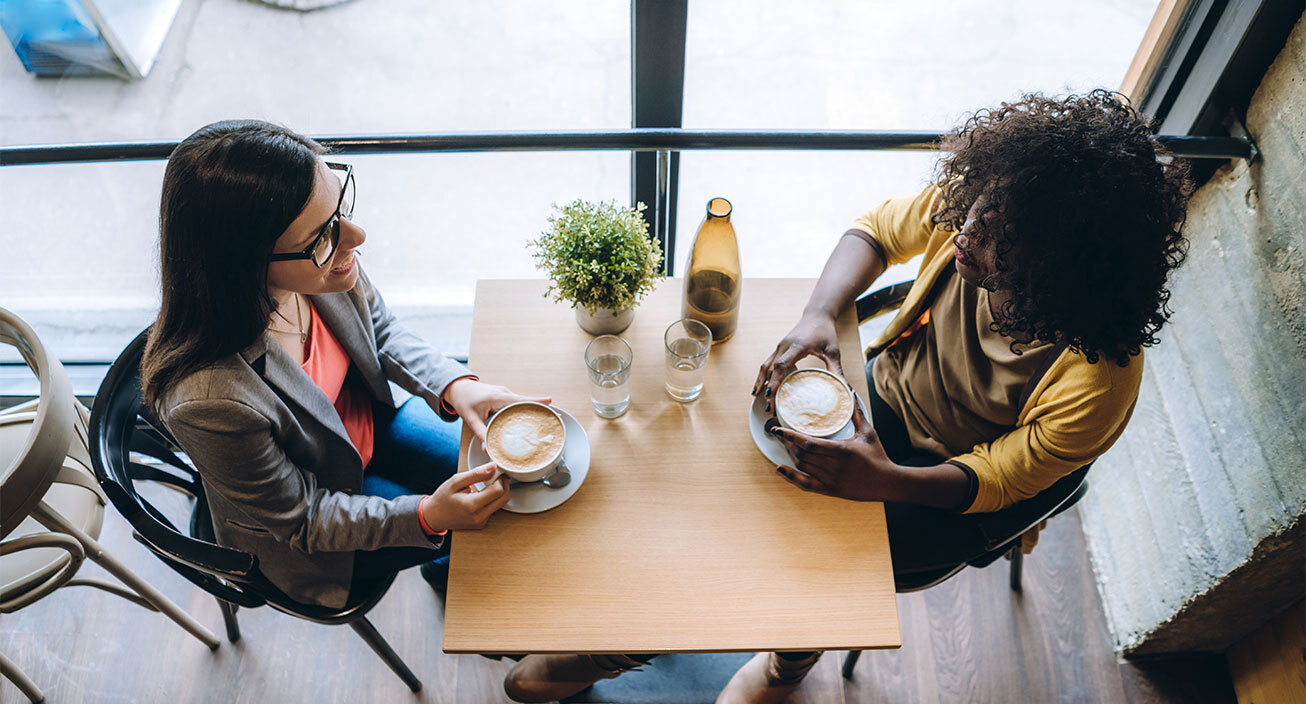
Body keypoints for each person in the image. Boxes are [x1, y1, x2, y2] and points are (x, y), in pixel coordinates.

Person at [503, 90, 1192, 703]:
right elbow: (877, 230)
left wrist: (885, 480)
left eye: (995, 246)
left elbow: (1002, 478)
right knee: (707, 501)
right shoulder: (994, 210)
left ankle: (782, 667)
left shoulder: (1098, 381)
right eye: (977, 216)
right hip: (869, 399)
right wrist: (817, 315)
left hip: (937, 487)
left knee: (797, 581)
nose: (966, 237)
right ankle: (625, 639)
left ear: (1055, 279)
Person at [141, 120, 545, 609]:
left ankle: (446, 564)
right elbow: (305, 520)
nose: (355, 236)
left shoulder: (322, 258)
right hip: (323, 532)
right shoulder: (209, 400)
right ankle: (449, 571)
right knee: (493, 526)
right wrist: (430, 516)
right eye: (324, 234)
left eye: (341, 208)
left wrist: (454, 383)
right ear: (242, 263)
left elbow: (379, 329)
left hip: (373, 427)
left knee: (518, 487)